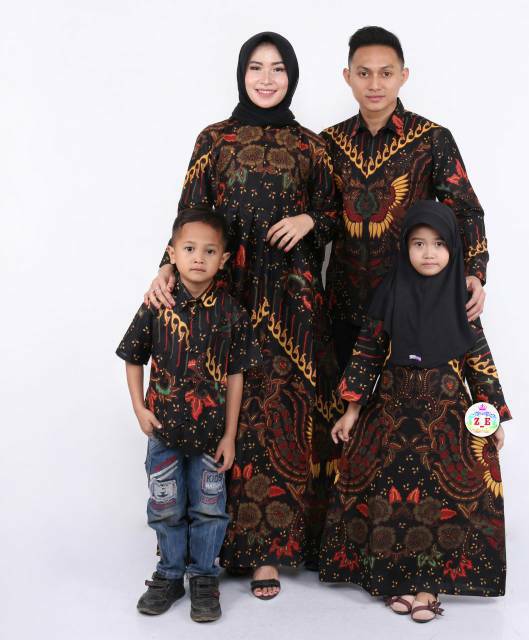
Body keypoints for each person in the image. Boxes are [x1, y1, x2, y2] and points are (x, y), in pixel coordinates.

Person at [143, 32, 338, 599]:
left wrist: (309, 221)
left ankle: (268, 554)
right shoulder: (214, 139)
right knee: (217, 414)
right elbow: (190, 214)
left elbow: (334, 212)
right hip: (220, 299)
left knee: (278, 419)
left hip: (290, 307)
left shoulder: (311, 146)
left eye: (278, 69)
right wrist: (166, 268)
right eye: (256, 67)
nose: (266, 79)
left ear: (292, 77)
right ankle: (205, 550)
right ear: (241, 74)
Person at [319, 200, 512, 623]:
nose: (429, 253)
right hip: (392, 413)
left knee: (441, 496)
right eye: (419, 243)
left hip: (446, 418)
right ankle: (396, 578)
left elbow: (478, 362)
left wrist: (492, 416)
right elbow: (367, 353)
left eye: (439, 244)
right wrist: (352, 410)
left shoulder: (461, 301)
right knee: (391, 495)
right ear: (405, 247)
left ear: (453, 249)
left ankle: (429, 583)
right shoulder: (390, 292)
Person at [116, 208, 261, 622]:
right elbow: (133, 357)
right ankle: (168, 575)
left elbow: (236, 375)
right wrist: (139, 408)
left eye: (209, 251)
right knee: (165, 506)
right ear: (172, 253)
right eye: (190, 249)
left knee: (210, 508)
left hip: (211, 437)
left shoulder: (231, 313)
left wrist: (230, 434)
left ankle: (203, 578)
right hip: (163, 432)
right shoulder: (156, 304)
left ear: (224, 259)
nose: (199, 258)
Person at [321, 26, 489, 371]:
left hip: (412, 301)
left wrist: (475, 272)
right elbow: (321, 215)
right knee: (343, 401)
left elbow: (466, 210)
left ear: (403, 76)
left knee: (405, 401)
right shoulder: (329, 143)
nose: (375, 84)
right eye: (364, 73)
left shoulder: (431, 139)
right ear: (347, 77)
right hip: (344, 304)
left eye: (386, 73)